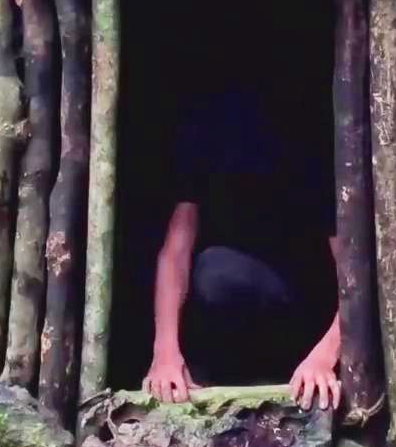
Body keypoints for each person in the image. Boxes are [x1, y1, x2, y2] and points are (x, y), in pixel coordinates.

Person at [142, 87, 343, 410]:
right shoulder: (203, 145)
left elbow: (355, 278)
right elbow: (174, 254)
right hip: (224, 318)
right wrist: (165, 352)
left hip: (301, 314)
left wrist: (325, 355)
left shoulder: (311, 156)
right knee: (215, 273)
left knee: (219, 273)